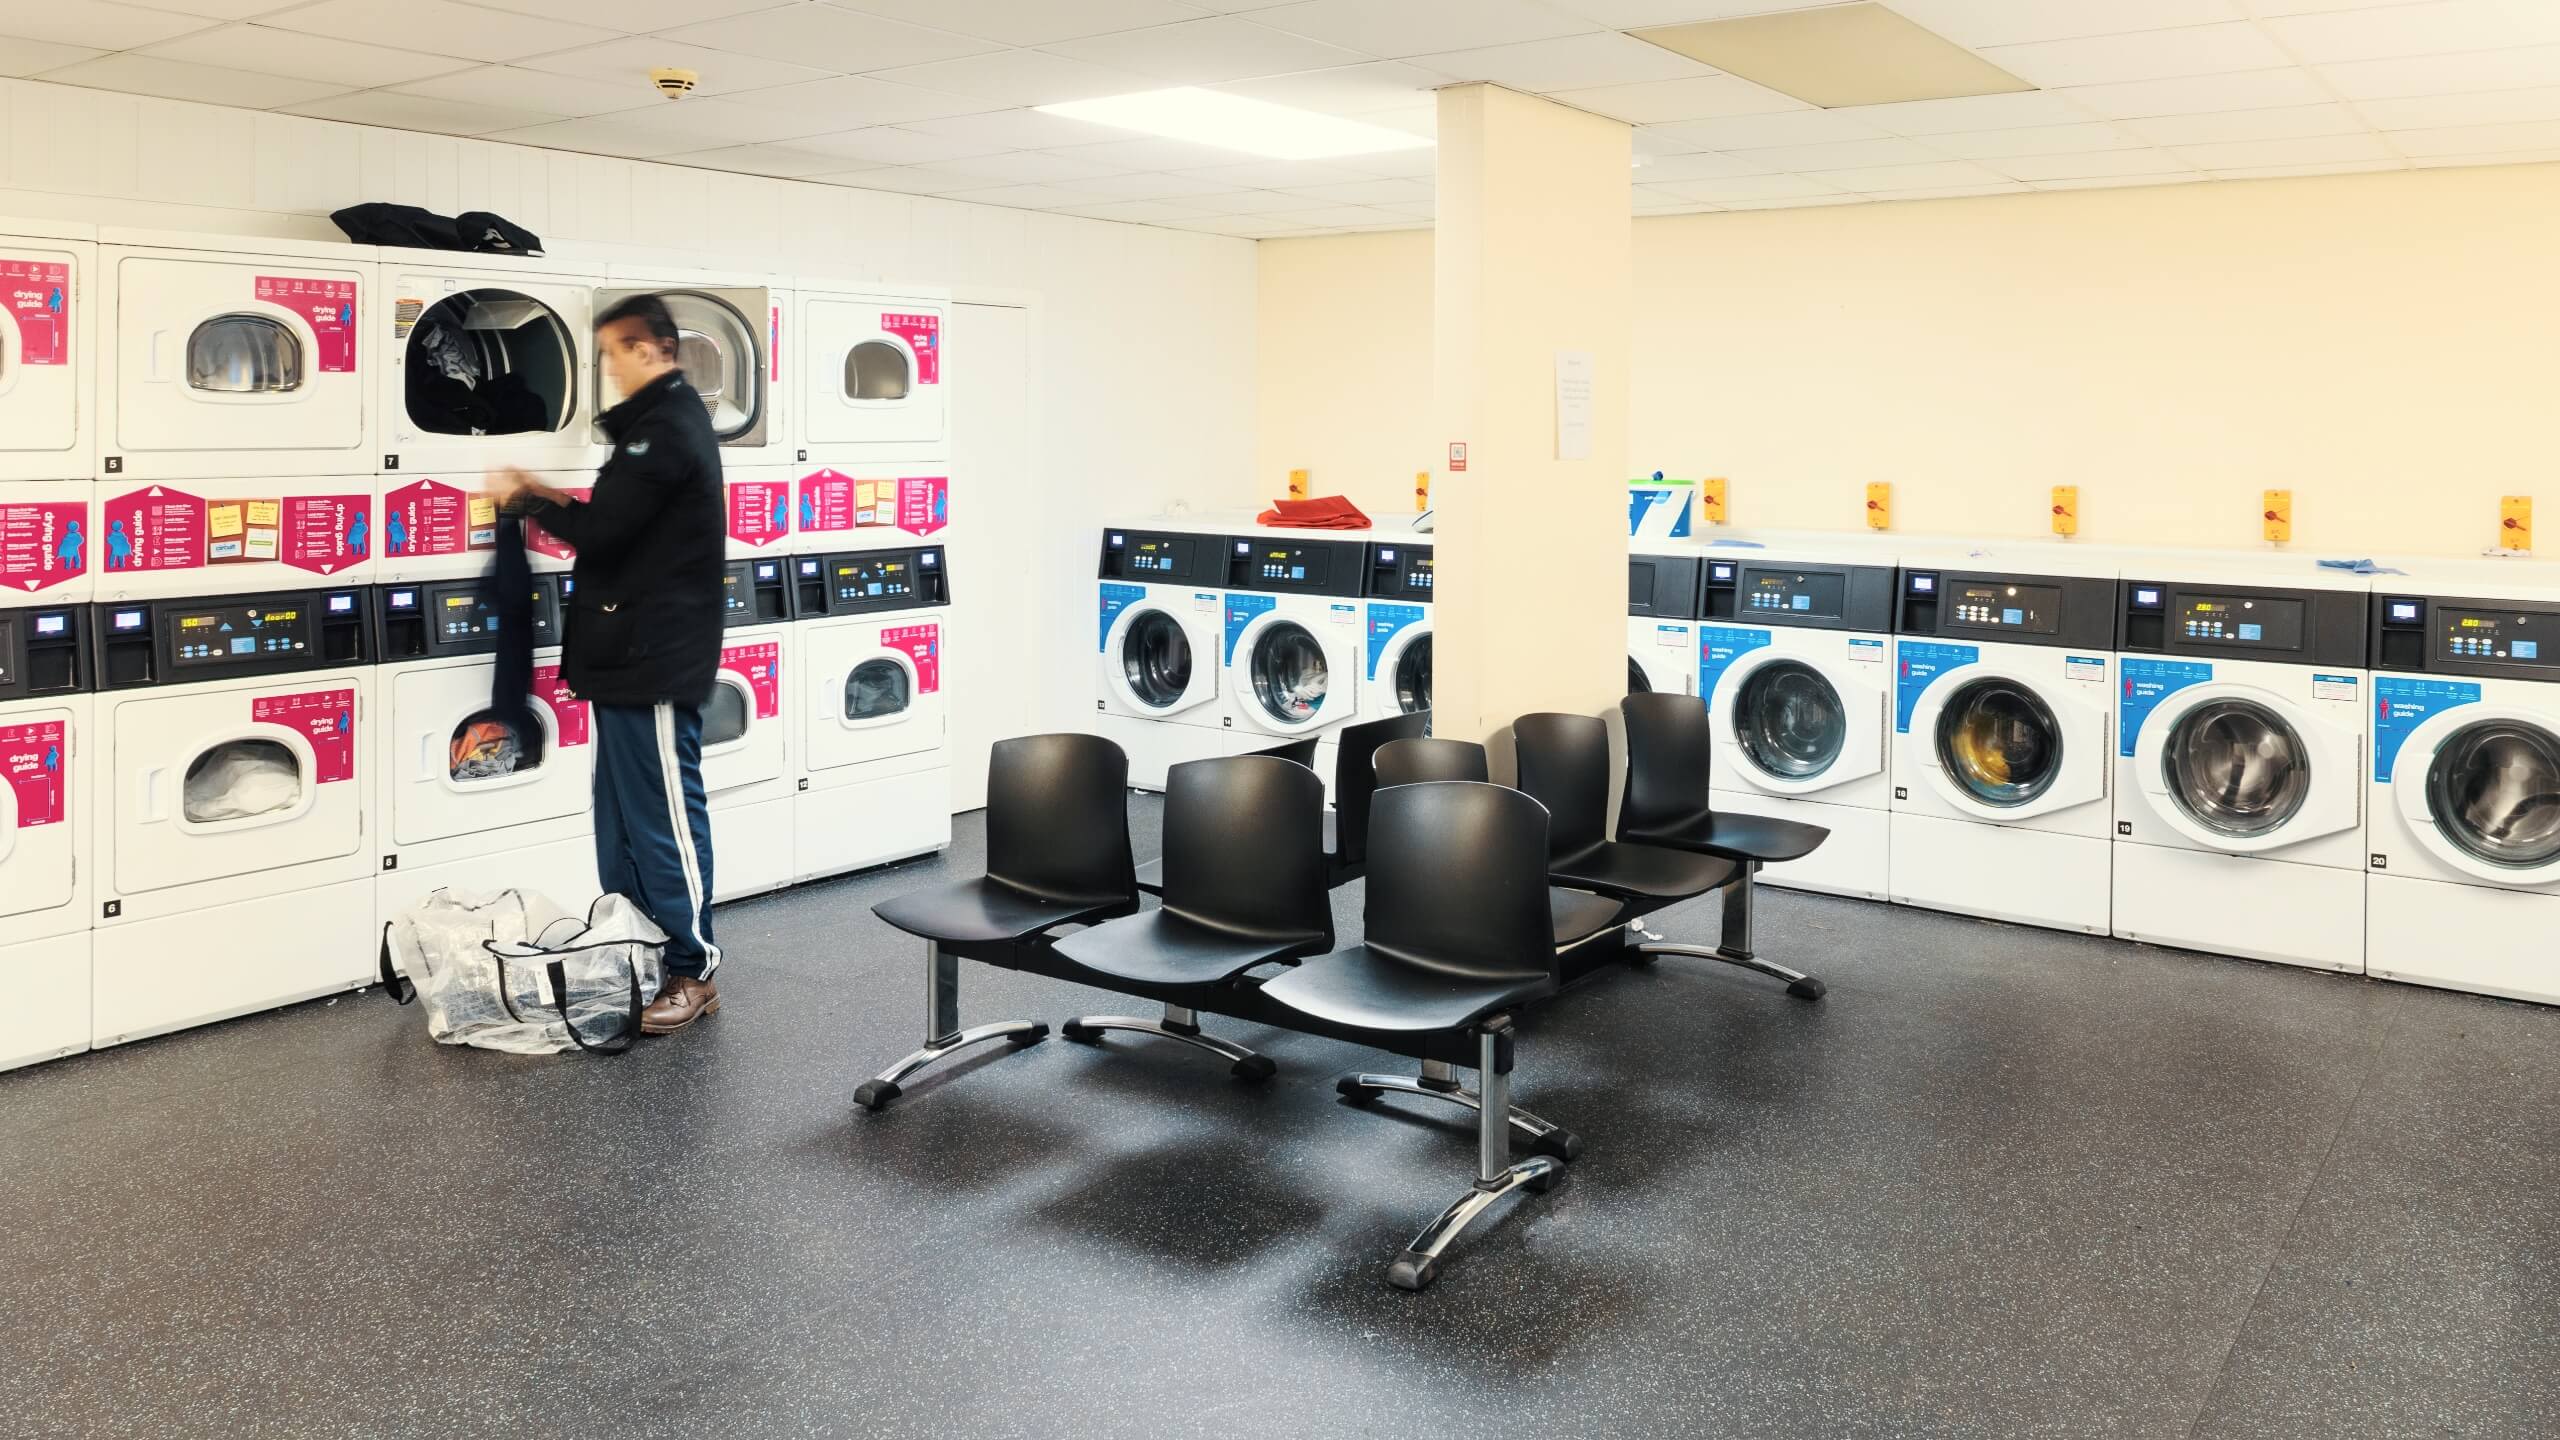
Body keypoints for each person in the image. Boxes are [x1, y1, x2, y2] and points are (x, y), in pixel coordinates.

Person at [485, 294, 727, 1035]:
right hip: (625, 654)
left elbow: (605, 532)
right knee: (619, 817)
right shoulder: (649, 434)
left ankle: (694, 967)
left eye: (615, 353)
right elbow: (619, 520)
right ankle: (640, 949)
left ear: (652, 350)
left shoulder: (666, 430)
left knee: (664, 818)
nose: (609, 368)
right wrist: (547, 496)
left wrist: (529, 498)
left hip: (651, 658)